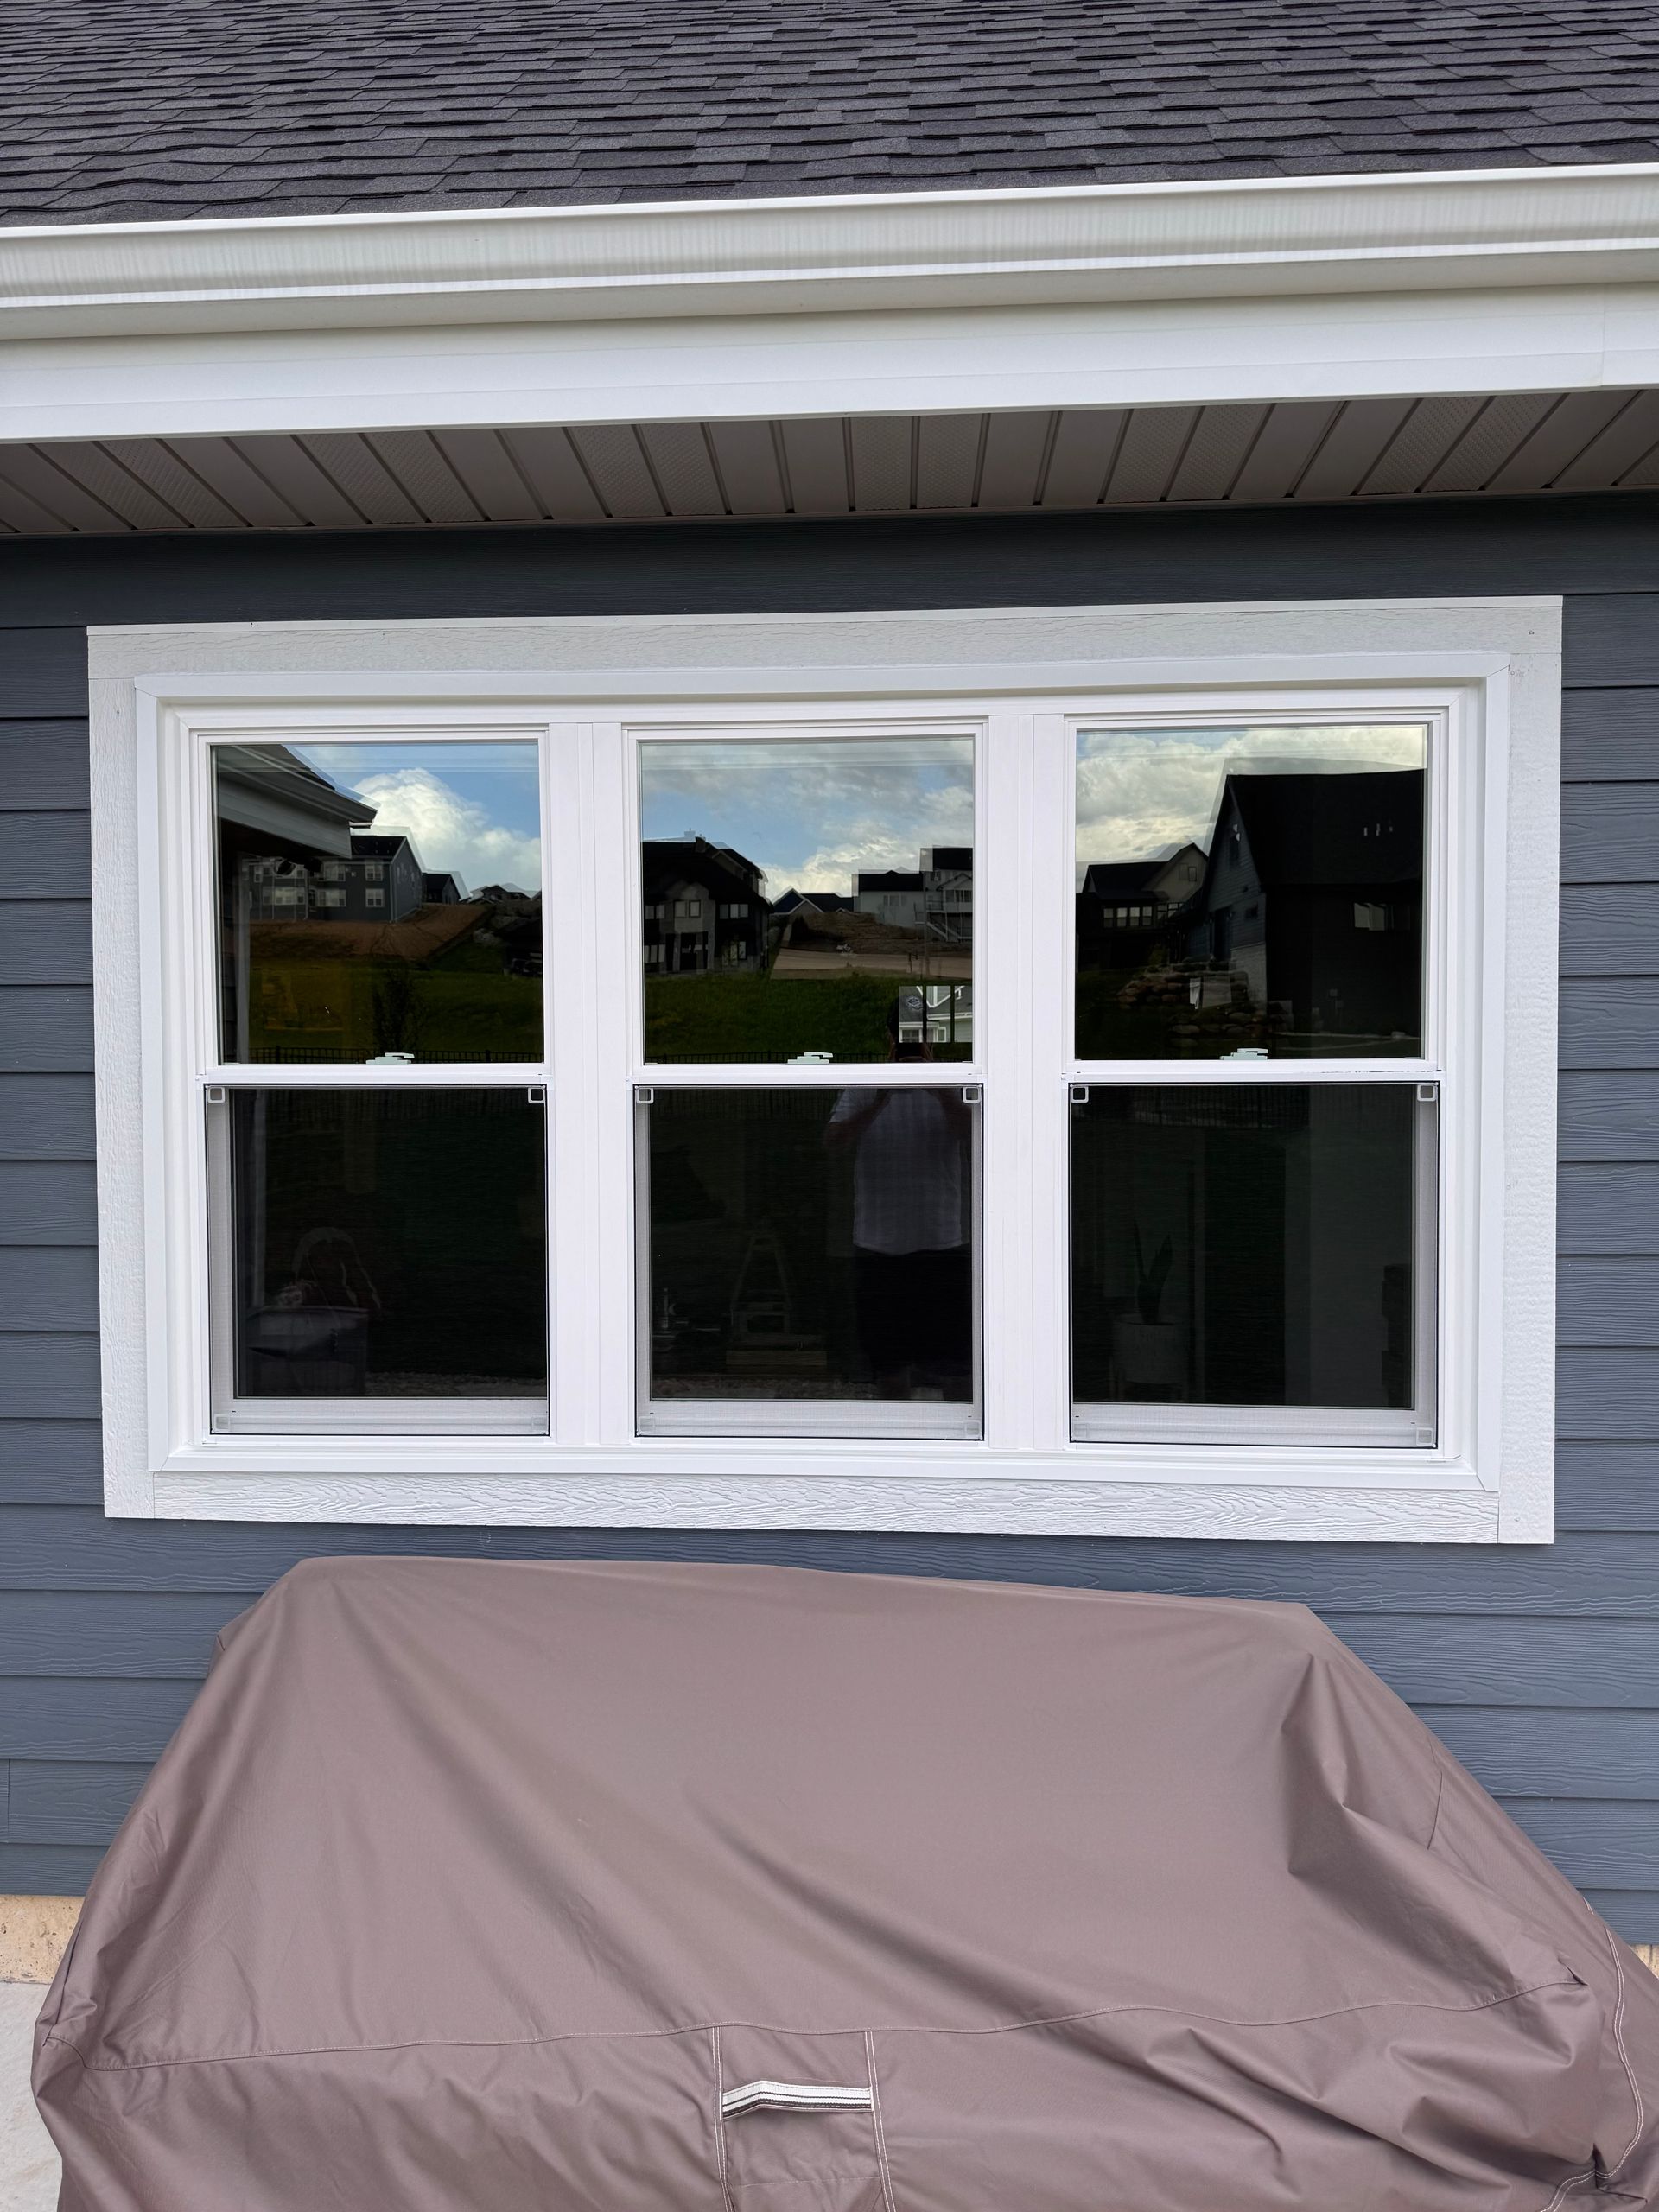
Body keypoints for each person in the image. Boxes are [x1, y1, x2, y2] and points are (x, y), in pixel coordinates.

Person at [824, 1009, 973, 1399]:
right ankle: (900, 1443)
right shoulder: (866, 1084)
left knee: (957, 1369)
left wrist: (937, 1088)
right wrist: (880, 1097)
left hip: (941, 1243)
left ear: (933, 1042)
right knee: (889, 1367)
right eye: (905, 1039)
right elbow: (833, 1142)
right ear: (890, 1039)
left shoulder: (953, 1081)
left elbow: (973, 1136)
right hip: (879, 1246)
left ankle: (961, 1451)